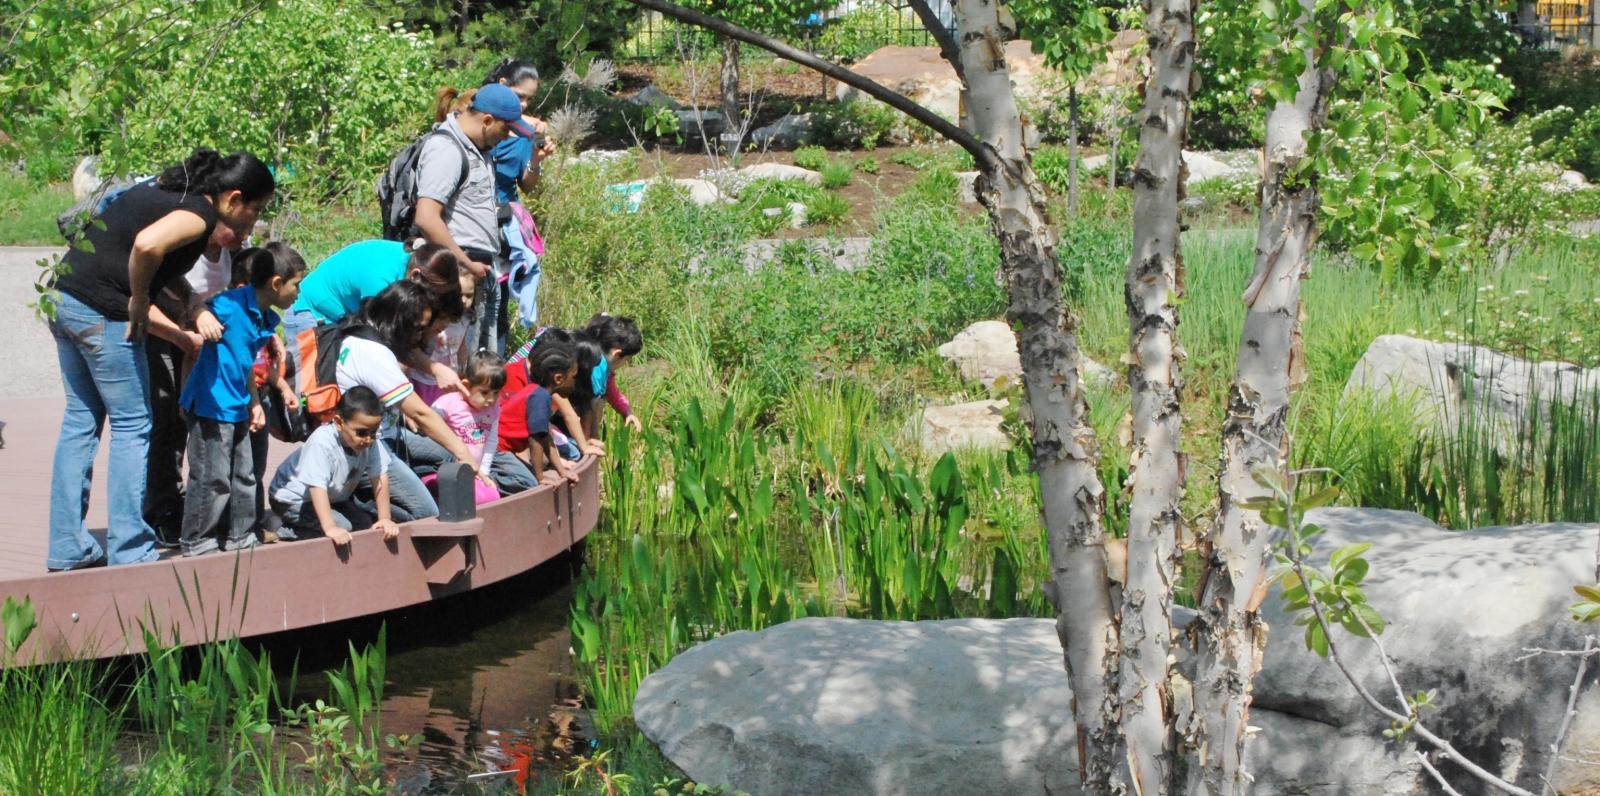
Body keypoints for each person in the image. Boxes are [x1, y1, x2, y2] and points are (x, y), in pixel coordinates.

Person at [47, 148, 273, 571]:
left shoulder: (172, 188)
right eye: (255, 210)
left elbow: (164, 262)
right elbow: (147, 246)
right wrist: (138, 298)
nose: (253, 221)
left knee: (80, 421)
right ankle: (131, 547)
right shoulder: (200, 213)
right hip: (101, 311)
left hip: (63, 298)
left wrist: (191, 303)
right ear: (234, 198)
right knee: (134, 424)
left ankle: (66, 547)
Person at [177, 244, 305, 556]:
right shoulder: (231, 304)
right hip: (212, 405)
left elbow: (245, 359)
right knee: (212, 477)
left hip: (237, 403)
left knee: (245, 474)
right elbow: (197, 309)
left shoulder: (262, 316)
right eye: (296, 284)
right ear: (276, 283)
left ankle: (238, 536)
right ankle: (198, 541)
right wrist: (200, 314)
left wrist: (254, 402)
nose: (299, 293)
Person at [336, 281, 492, 520]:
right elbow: (420, 413)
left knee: (443, 456)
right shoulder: (373, 353)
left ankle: (403, 482)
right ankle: (360, 505)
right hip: (367, 445)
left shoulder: (366, 331)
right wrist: (466, 455)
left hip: (384, 434)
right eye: (419, 328)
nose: (424, 335)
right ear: (399, 322)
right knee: (425, 512)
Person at [145, 221, 245, 546]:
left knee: (192, 417)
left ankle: (191, 502)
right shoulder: (187, 242)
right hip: (164, 331)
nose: (247, 230)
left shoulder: (233, 249)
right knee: (166, 423)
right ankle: (160, 511)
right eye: (243, 223)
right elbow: (151, 294)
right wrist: (182, 334)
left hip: (200, 342)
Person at [415, 82, 533, 355]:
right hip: (460, 272)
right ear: (487, 120)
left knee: (484, 360)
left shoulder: (479, 148)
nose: (507, 137)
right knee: (457, 358)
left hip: (480, 268)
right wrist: (464, 263)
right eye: (506, 129)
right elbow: (427, 217)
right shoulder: (446, 149)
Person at [280, 239, 467, 396]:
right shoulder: (381, 281)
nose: (434, 300)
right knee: (319, 395)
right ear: (416, 275)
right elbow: (388, 341)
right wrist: (435, 368)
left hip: (345, 317)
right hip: (311, 313)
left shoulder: (416, 261)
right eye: (433, 293)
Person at [268, 386, 400, 545]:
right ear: (338, 422)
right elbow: (316, 487)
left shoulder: (370, 442)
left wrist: (385, 518)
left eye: (373, 432)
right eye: (361, 432)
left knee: (364, 524)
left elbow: (379, 476)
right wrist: (330, 527)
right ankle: (283, 528)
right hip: (292, 499)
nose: (368, 439)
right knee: (342, 527)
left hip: (331, 497)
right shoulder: (322, 444)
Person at [484, 59, 557, 339]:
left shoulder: (527, 134)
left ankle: (494, 371)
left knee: (498, 307)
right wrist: (528, 122)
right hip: (474, 221)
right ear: (502, 85)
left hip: (504, 226)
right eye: (519, 97)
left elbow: (527, 186)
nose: (525, 104)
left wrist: (536, 161)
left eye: (529, 99)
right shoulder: (481, 119)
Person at [424, 351, 518, 504]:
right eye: (485, 392)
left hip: (474, 472)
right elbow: (429, 433)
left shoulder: (493, 408)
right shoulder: (447, 404)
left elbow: (491, 441)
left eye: (496, 393)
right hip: (446, 471)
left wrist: (484, 473)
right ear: (466, 385)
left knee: (492, 496)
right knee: (474, 498)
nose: (491, 399)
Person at [497, 335, 581, 487]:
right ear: (559, 379)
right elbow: (536, 439)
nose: (574, 382)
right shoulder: (539, 398)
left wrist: (561, 470)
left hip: (503, 450)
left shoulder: (539, 393)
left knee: (529, 476)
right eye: (572, 377)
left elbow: (547, 438)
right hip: (498, 450)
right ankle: (493, 480)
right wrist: (539, 477)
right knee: (528, 483)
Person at [584, 313, 644, 433]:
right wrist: (591, 437)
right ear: (617, 354)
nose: (626, 363)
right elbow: (592, 406)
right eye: (627, 359)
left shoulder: (604, 369)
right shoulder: (596, 369)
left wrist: (627, 411)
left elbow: (612, 393)